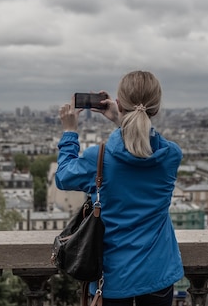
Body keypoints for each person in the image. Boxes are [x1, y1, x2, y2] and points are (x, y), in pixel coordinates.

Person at [56, 70, 184, 306]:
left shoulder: (99, 158)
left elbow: (63, 177)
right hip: (159, 274)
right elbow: (147, 146)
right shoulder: (171, 156)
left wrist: (70, 132)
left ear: (119, 103)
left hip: (113, 279)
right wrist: (120, 118)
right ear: (156, 108)